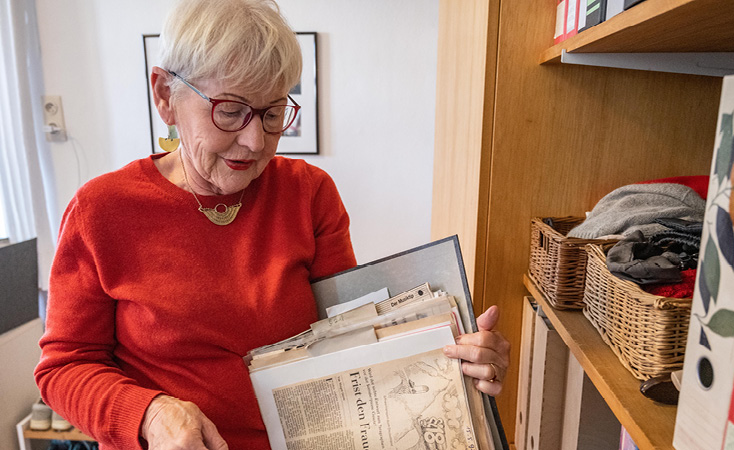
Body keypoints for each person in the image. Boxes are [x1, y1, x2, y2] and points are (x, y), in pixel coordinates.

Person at [34, 0, 511, 449]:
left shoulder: (309, 193)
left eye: (273, 112)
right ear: (166, 96)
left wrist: (451, 357)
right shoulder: (102, 210)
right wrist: (149, 414)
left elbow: (352, 336)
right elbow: (64, 368)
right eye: (231, 110)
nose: (254, 140)